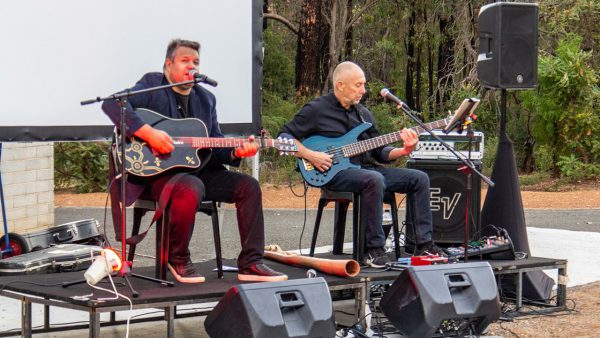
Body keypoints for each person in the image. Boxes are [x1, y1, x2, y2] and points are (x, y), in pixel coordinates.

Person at [102, 39, 287, 283]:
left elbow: (216, 144)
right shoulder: (152, 85)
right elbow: (112, 105)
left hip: (197, 170)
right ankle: (177, 258)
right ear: (168, 64)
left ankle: (251, 263)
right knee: (191, 187)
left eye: (196, 62)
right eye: (185, 61)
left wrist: (236, 153)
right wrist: (149, 134)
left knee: (248, 186)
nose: (192, 67)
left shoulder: (206, 99)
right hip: (155, 175)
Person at [279, 61, 446, 268]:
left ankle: (424, 245)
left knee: (418, 178)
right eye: (358, 85)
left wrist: (405, 150)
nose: (363, 90)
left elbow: (379, 151)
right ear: (340, 85)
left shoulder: (363, 114)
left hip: (366, 170)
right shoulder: (316, 109)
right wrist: (310, 155)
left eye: (364, 85)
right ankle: (373, 250)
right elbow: (283, 137)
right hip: (334, 174)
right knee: (373, 179)